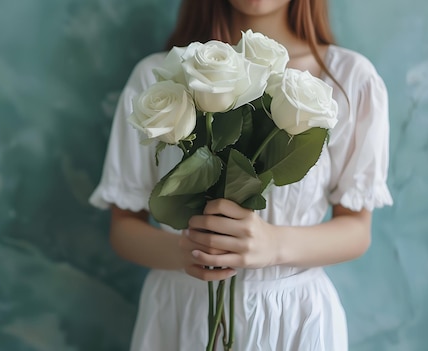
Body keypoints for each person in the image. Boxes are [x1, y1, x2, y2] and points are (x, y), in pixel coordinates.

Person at [89, 0, 393, 350]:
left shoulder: (349, 80)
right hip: (181, 315)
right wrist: (187, 250)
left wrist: (274, 245)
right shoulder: (159, 80)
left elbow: (357, 229)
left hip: (293, 320)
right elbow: (124, 227)